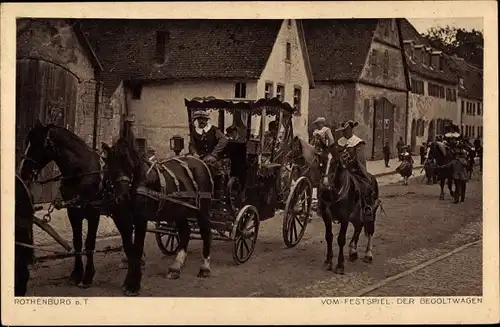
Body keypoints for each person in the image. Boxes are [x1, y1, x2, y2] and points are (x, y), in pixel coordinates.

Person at [336, 120, 376, 218]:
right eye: (342, 131)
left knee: (363, 186)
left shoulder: (358, 142)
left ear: (350, 130)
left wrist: (349, 162)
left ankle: (366, 206)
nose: (344, 133)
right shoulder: (340, 141)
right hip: (341, 169)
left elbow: (360, 159)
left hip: (354, 170)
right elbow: (336, 155)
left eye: (345, 130)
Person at [188, 110, 229, 196]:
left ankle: (216, 192)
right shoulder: (194, 132)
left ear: (207, 120)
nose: (201, 121)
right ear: (196, 120)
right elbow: (192, 145)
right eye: (199, 119)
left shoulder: (214, 129)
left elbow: (223, 140)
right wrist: (194, 153)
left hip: (213, 157)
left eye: (203, 119)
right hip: (200, 157)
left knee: (212, 168)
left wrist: (214, 153)